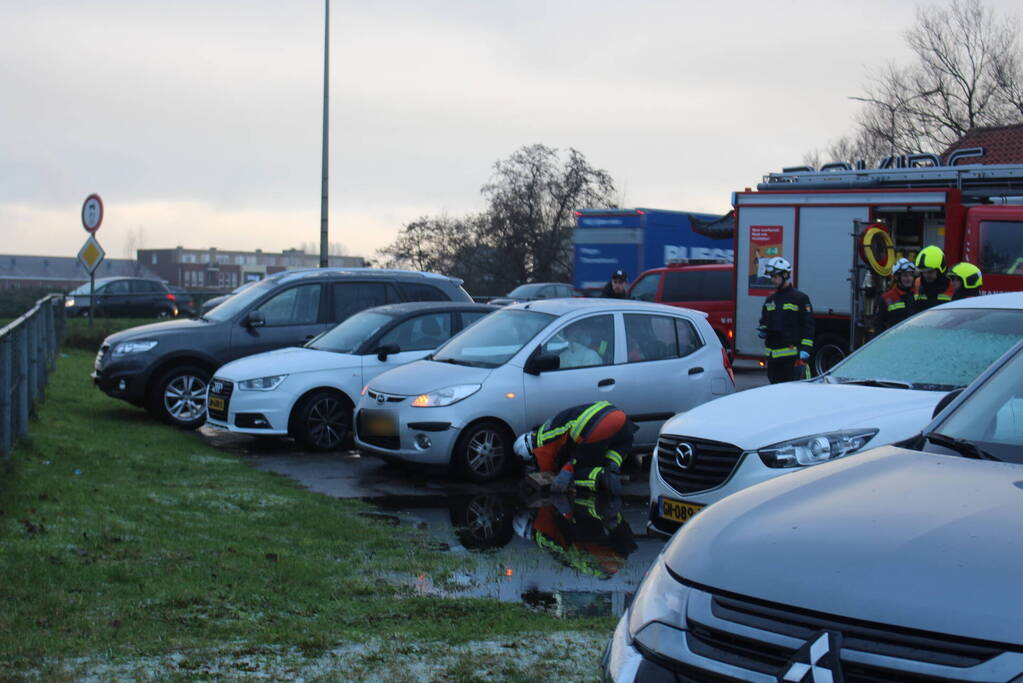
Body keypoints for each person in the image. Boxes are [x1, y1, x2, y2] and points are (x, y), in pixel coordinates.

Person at [513, 400, 637, 494]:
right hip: (622, 422)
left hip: (597, 428)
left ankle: (603, 478)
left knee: (575, 473)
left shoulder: (540, 446)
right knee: (612, 456)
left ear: (529, 451)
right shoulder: (547, 428)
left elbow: (549, 474)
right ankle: (612, 468)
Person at [758, 257, 814, 383]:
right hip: (773, 360)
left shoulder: (800, 298)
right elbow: (764, 321)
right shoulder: (770, 300)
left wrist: (805, 350)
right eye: (771, 276)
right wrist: (763, 329)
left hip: (791, 359)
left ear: (785, 275)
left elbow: (808, 327)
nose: (772, 279)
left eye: (775, 276)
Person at [876, 257, 919, 332]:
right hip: (894, 339)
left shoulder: (918, 294)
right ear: (897, 277)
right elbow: (878, 325)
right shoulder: (887, 298)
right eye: (905, 275)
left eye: (911, 275)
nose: (909, 279)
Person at [914, 245, 955, 310]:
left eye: (930, 272)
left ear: (940, 271)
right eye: (923, 272)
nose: (926, 275)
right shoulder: (917, 284)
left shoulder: (952, 286)